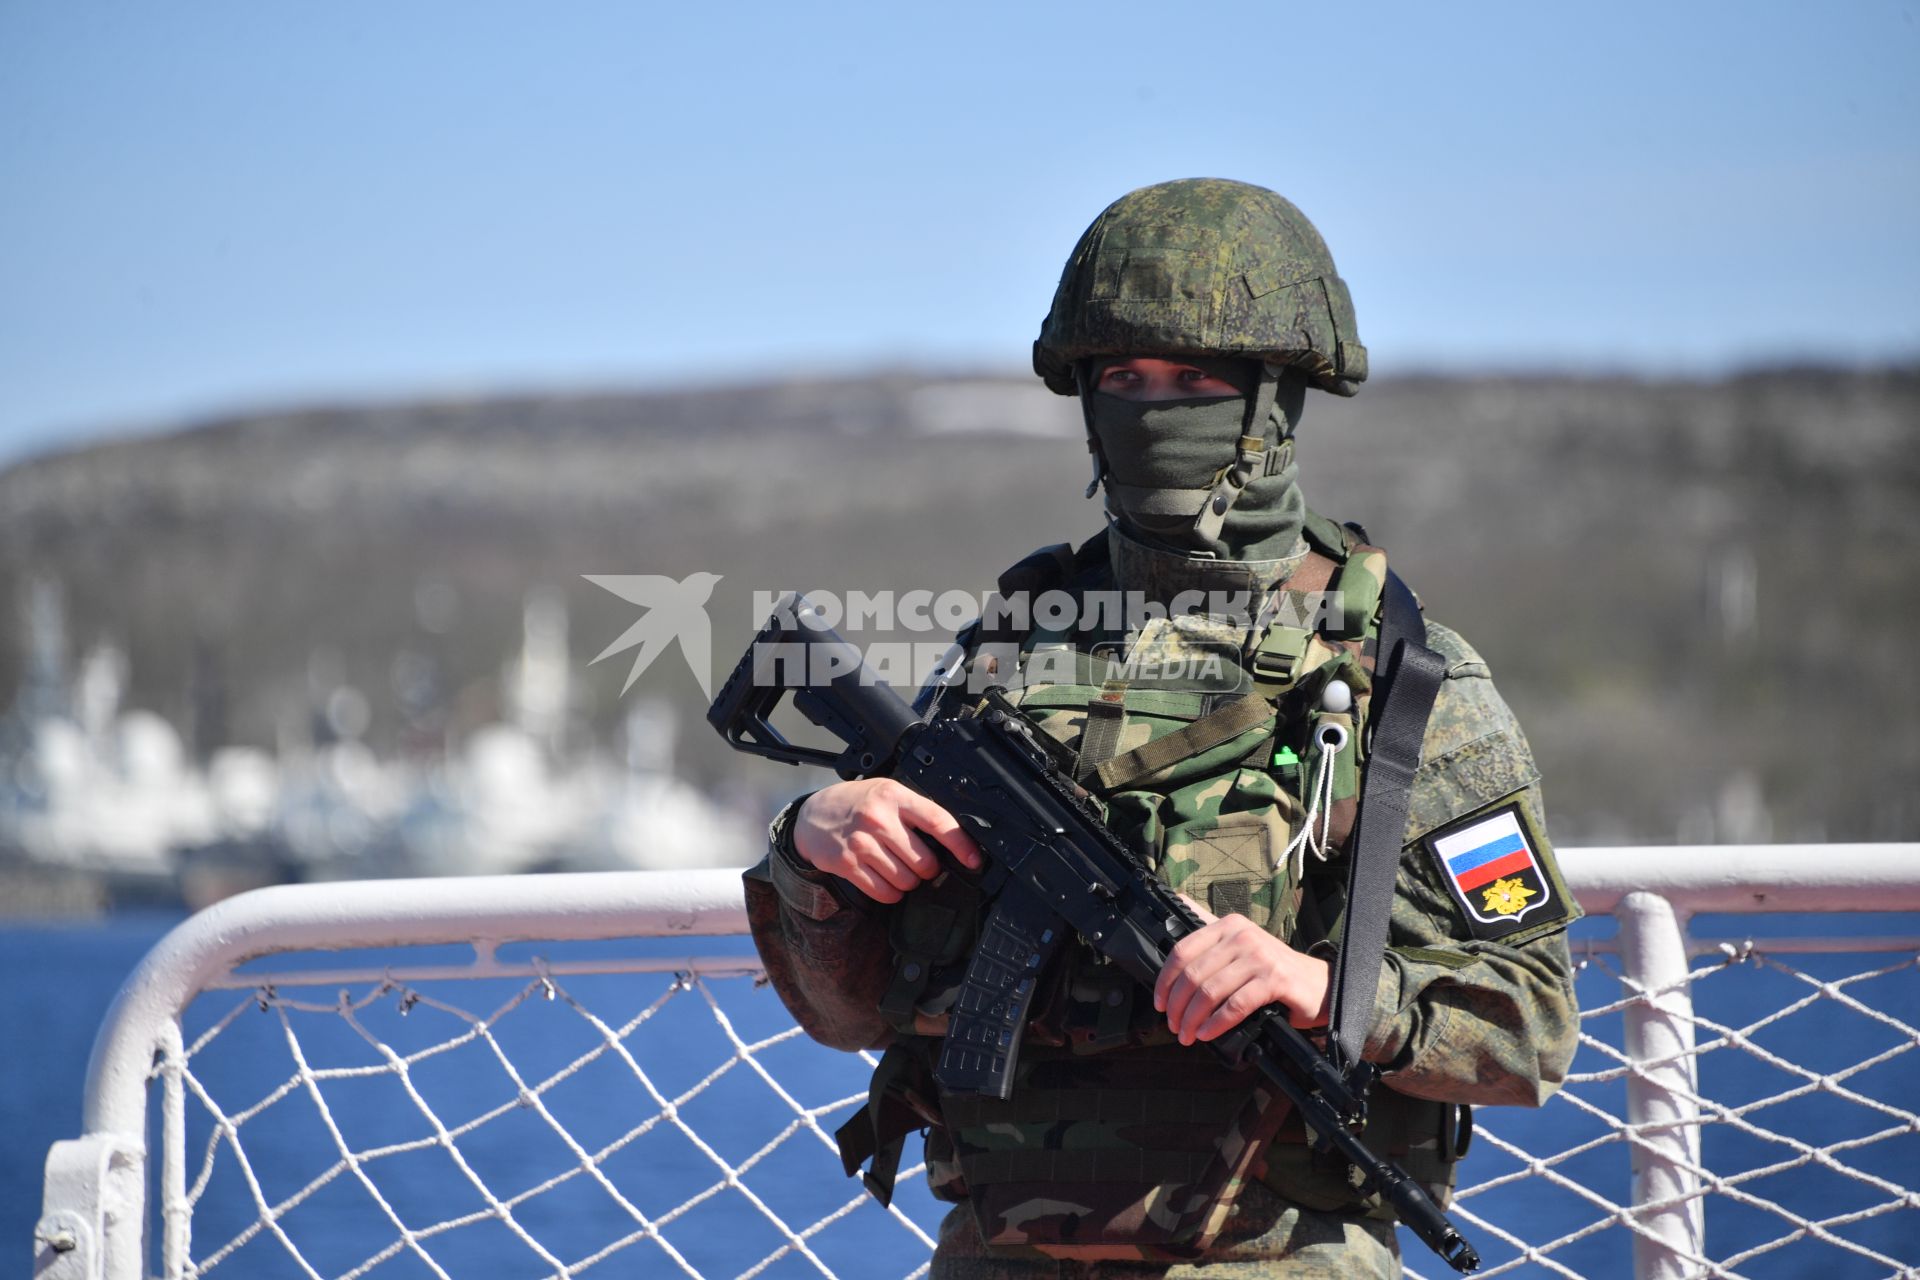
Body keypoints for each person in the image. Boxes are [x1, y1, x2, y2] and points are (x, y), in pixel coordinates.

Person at [743, 178, 1580, 1278]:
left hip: (1274, 1253)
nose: (1153, 407)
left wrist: (1319, 989)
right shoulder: (1010, 651)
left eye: (1193, 379)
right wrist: (818, 849)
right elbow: (847, 1014)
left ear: (1273, 400)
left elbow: (1526, 1026)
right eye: (1124, 378)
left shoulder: (1398, 675)